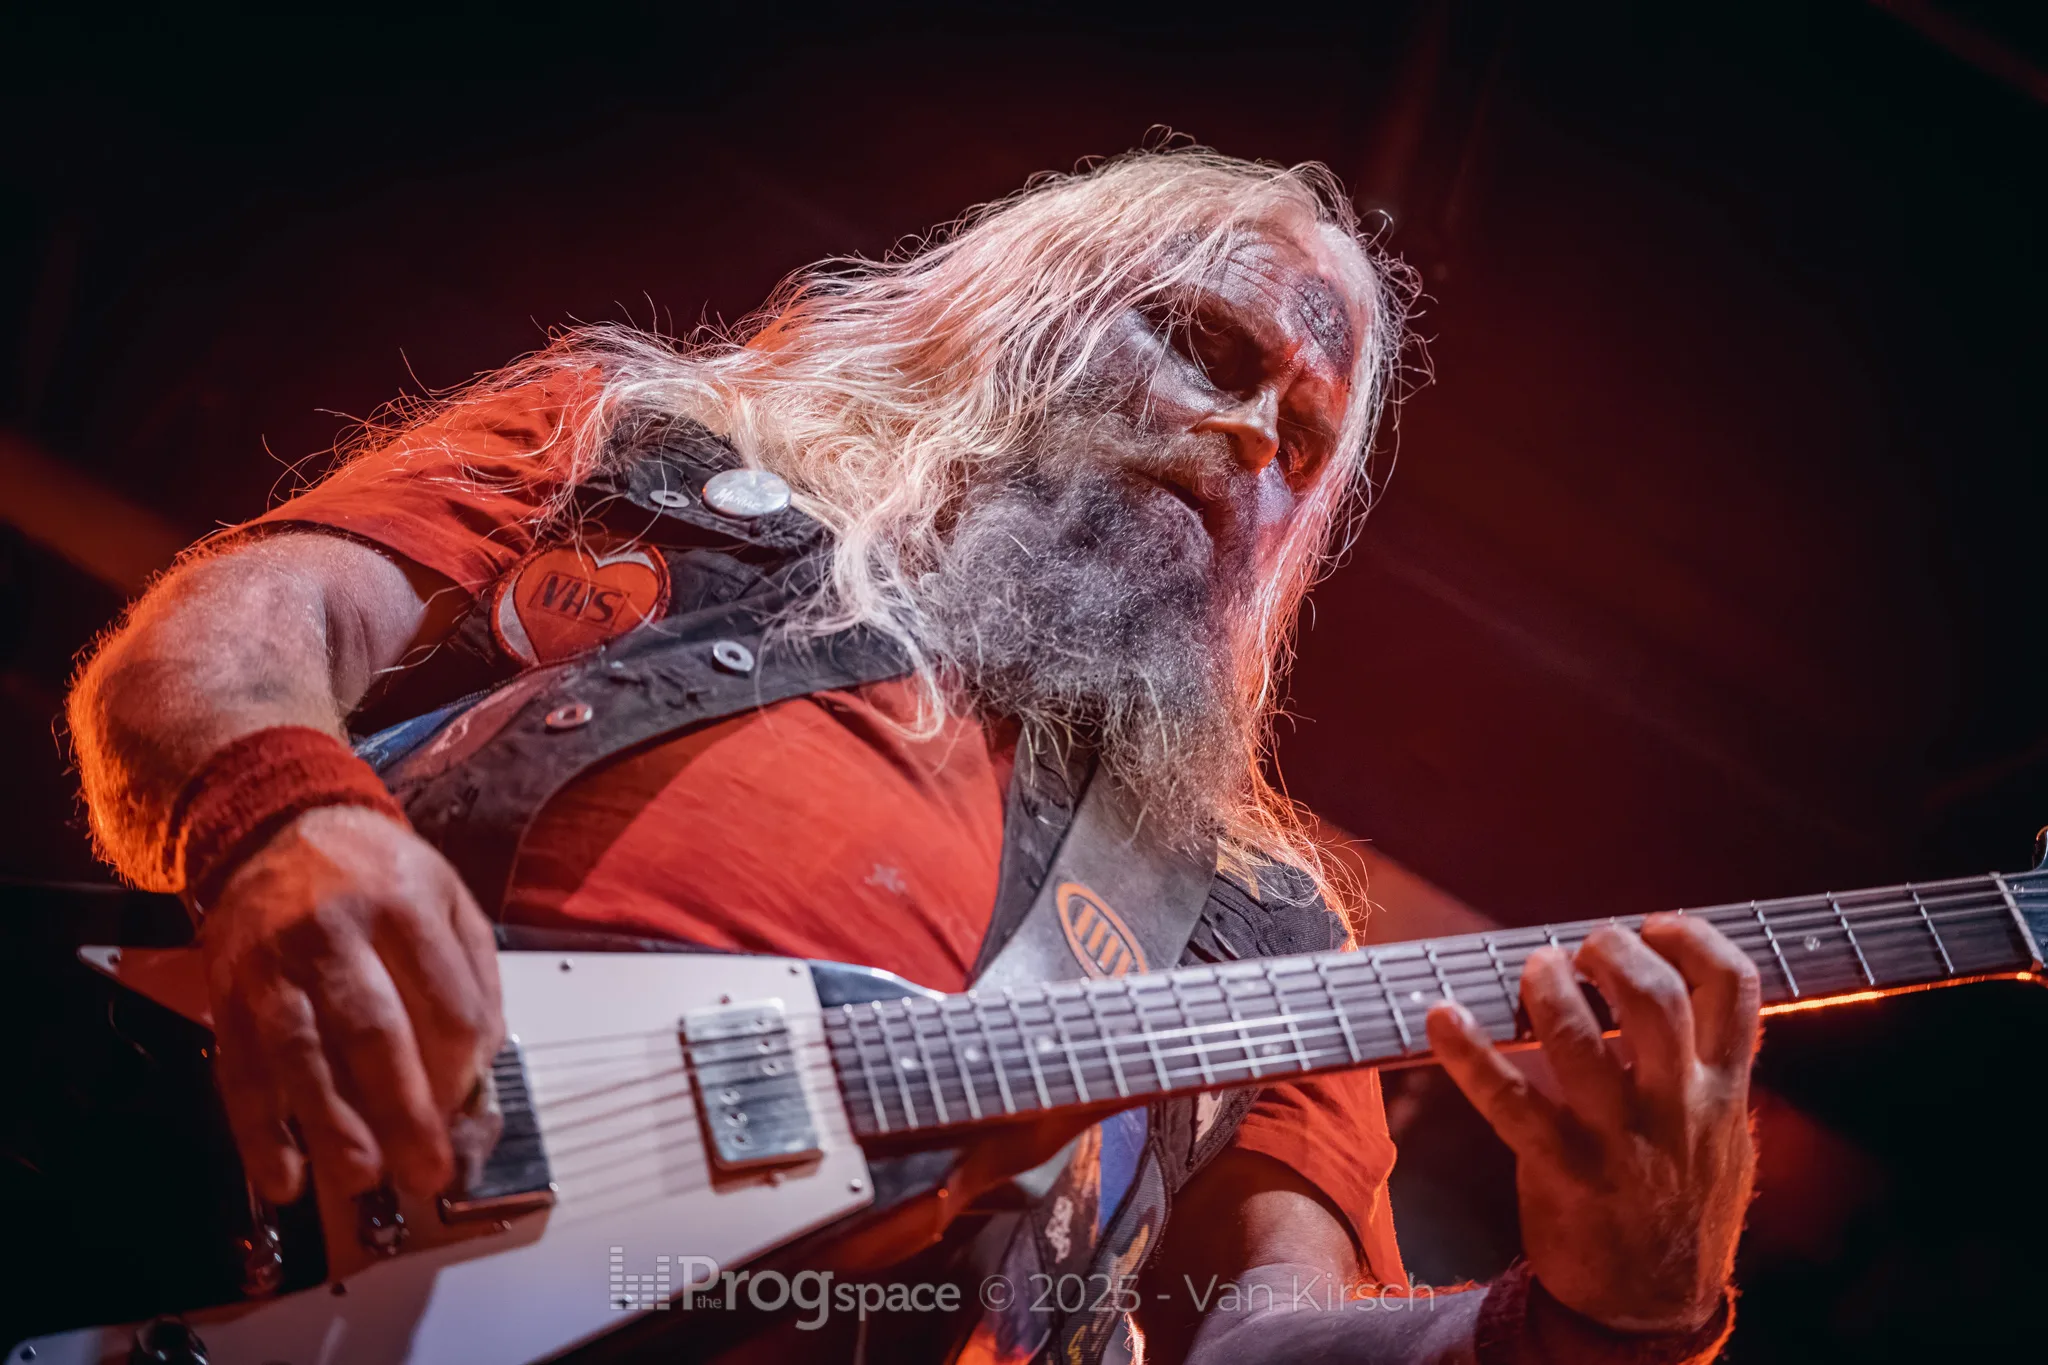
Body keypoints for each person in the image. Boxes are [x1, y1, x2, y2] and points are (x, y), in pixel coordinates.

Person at [67, 148, 1758, 1364]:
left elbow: (1261, 1334)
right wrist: (288, 819)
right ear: (1023, 312)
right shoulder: (650, 450)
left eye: (1303, 443)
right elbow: (231, 631)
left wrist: (1607, 1320)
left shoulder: (1260, 920)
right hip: (224, 1214)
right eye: (1208, 347)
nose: (1251, 436)